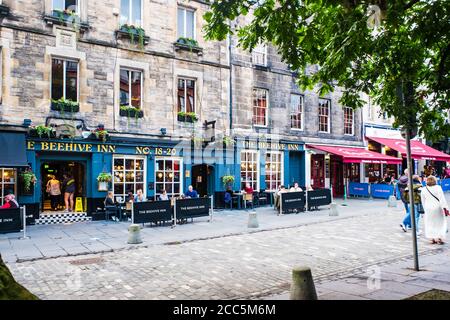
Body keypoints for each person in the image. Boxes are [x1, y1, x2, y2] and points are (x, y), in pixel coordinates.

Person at [421, 176, 449, 245]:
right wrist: (446, 208)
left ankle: (432, 238)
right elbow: (442, 199)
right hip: (438, 207)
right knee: (440, 223)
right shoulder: (438, 188)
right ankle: (440, 237)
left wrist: (425, 209)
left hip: (428, 208)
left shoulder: (424, 189)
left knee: (429, 223)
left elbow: (423, 201)